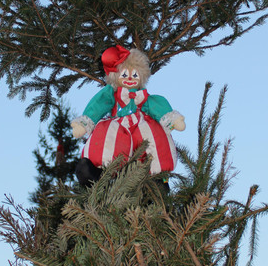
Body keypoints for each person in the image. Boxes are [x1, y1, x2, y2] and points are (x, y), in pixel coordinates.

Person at [71, 45, 185, 185]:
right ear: (115, 76)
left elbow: (157, 106)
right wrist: (84, 123)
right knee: (107, 136)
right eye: (124, 74)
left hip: (141, 126)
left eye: (135, 75)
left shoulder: (144, 97)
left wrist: (173, 119)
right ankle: (99, 171)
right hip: (118, 125)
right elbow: (98, 104)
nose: (130, 78)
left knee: (153, 137)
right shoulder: (111, 94)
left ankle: (156, 177)